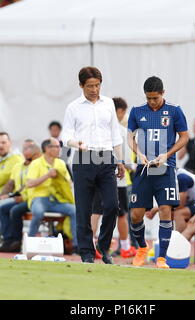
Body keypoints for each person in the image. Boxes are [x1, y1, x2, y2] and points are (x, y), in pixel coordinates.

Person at [61, 66, 125, 264]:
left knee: (113, 205)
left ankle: (104, 246)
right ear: (81, 85)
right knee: (84, 209)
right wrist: (75, 143)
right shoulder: (73, 107)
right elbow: (66, 136)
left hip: (106, 157)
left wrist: (120, 160)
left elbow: (115, 134)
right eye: (90, 86)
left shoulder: (108, 104)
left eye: (97, 85)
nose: (94, 89)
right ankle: (87, 253)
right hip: (83, 157)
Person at [128, 76, 189, 269]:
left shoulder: (174, 110)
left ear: (163, 93)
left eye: (155, 98)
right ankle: (142, 248)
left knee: (165, 210)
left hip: (166, 168)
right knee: (136, 214)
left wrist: (167, 154)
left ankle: (161, 258)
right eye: (148, 98)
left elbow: (185, 136)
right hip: (144, 169)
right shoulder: (137, 111)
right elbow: (130, 136)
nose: (152, 102)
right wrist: (138, 152)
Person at [90, 97, 136, 259]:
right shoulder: (121, 131)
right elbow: (127, 160)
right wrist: (133, 166)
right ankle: (125, 247)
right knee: (121, 213)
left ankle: (91, 244)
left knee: (96, 211)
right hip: (118, 178)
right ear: (121, 111)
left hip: (97, 174)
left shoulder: (98, 128)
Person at [25, 138, 78, 250]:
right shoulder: (36, 163)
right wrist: (47, 175)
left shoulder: (61, 163)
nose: (59, 149)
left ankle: (76, 246)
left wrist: (61, 179)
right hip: (39, 198)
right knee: (38, 212)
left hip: (56, 199)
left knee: (74, 210)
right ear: (47, 149)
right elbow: (29, 184)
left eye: (59, 146)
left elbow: (68, 183)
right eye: (57, 146)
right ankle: (29, 243)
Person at [0, 140, 41, 253]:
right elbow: (15, 185)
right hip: (23, 197)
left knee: (15, 210)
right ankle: (7, 239)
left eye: (29, 158)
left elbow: (33, 188)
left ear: (36, 155)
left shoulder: (39, 166)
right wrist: (6, 195)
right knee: (2, 208)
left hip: (34, 199)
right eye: (25, 156)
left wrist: (22, 197)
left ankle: (16, 241)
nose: (27, 160)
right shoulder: (20, 166)